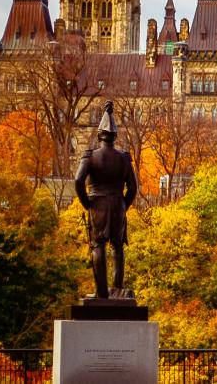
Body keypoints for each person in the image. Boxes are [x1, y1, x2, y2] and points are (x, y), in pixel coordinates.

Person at [74, 100, 138, 299]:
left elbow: (78, 180)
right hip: (118, 203)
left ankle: (102, 292)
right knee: (117, 245)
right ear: (114, 136)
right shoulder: (124, 158)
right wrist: (123, 205)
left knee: (98, 245)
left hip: (97, 204)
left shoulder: (90, 156)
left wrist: (86, 202)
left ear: (99, 136)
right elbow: (133, 187)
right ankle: (117, 288)